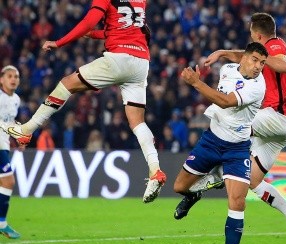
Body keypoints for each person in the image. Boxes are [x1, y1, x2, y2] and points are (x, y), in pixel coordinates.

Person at [0, 0, 167, 202]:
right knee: (137, 122)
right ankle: (155, 170)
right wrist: (93, 34)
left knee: (66, 84)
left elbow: (89, 22)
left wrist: (59, 42)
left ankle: (27, 130)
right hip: (141, 62)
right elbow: (137, 30)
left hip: (118, 57)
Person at [174, 12, 286, 244]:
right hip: (283, 128)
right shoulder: (260, 55)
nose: (258, 63)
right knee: (252, 181)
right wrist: (224, 53)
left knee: (232, 125)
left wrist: (257, 58)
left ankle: (213, 176)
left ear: (257, 34)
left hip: (274, 117)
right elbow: (248, 57)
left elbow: (285, 66)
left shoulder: (275, 45)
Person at [174, 42, 268, 244]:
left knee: (237, 203)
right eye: (255, 60)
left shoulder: (257, 86)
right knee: (179, 187)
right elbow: (221, 90)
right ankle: (195, 193)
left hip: (237, 148)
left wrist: (196, 82)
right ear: (244, 58)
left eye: (263, 63)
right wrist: (219, 54)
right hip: (211, 140)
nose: (258, 67)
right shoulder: (227, 69)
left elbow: (224, 101)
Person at [0, 65, 22, 239]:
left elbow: (9, 122)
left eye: (16, 76)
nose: (13, 79)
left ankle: (2, 223)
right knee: (8, 181)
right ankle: (2, 223)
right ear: (1, 79)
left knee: (7, 182)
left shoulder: (16, 99)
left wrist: (18, 136)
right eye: (9, 76)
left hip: (4, 146)